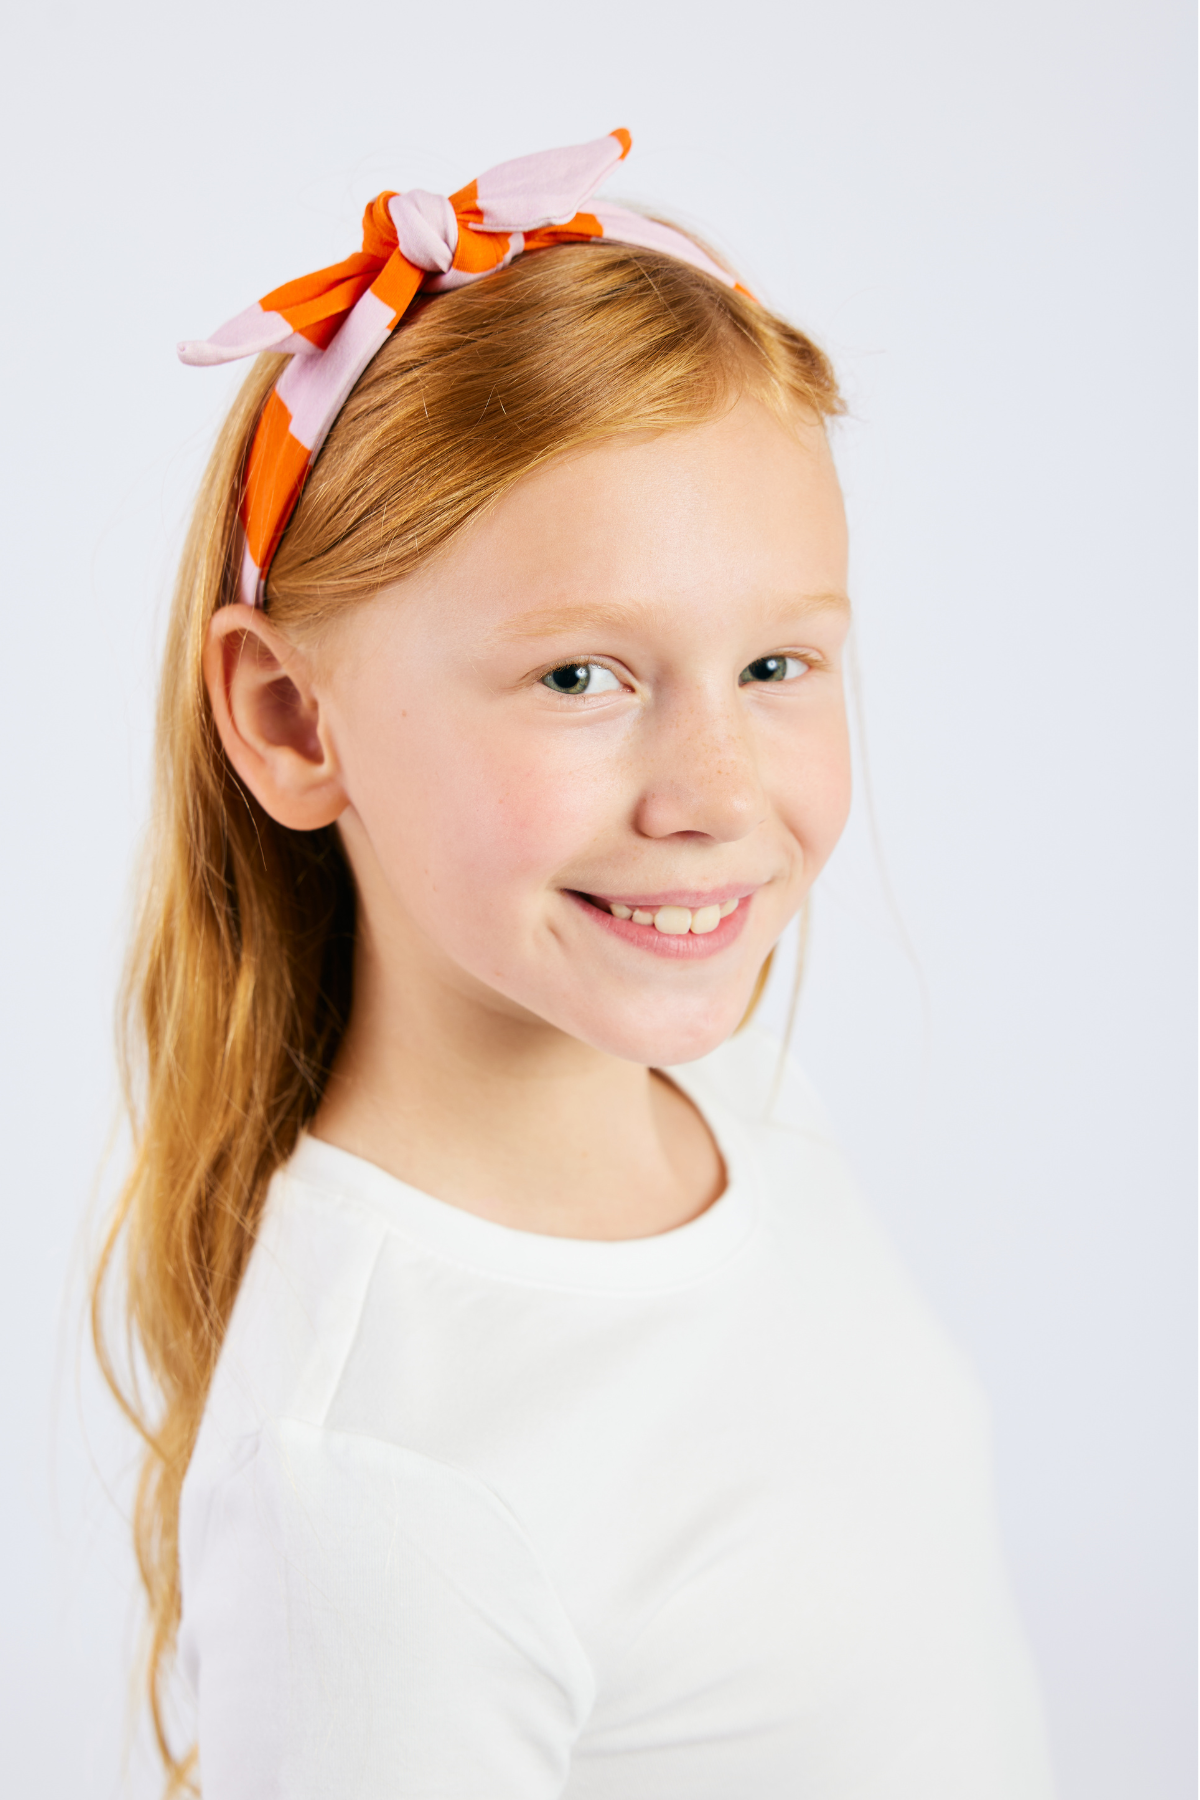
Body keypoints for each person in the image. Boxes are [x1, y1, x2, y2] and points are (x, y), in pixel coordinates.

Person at [94, 129, 1057, 1798]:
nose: (715, 799)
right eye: (579, 680)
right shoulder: (376, 1490)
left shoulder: (718, 1066)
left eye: (774, 662)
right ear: (290, 718)